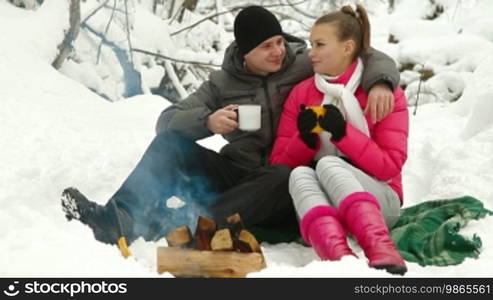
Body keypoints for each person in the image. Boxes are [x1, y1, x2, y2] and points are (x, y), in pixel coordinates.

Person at [61, 5, 400, 247]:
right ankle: (118, 218)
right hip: (237, 175)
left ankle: (192, 224)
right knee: (169, 147)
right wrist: (206, 121)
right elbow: (165, 122)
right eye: (266, 47)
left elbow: (360, 52)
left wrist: (382, 81)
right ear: (245, 53)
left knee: (283, 175)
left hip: (286, 186)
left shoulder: (301, 62)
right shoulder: (221, 84)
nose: (278, 51)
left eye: (279, 41)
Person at [269, 4, 408, 275]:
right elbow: (278, 164)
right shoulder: (302, 94)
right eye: (311, 44)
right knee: (299, 173)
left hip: (381, 202)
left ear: (347, 48)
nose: (311, 52)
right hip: (325, 208)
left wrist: (344, 134)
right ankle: (338, 257)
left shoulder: (381, 93)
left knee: (328, 165)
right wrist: (305, 139)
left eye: (320, 44)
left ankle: (381, 248)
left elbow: (389, 167)